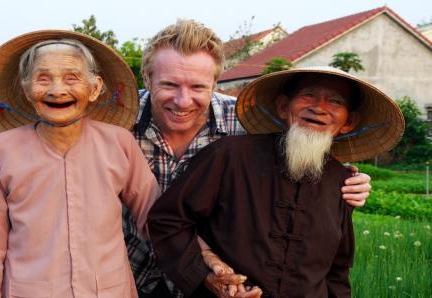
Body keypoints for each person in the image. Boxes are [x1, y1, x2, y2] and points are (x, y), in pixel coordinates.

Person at [0, 20, 372, 297]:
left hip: (207, 285)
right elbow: (36, 147)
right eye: (170, 84)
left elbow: (304, 146)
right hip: (122, 280)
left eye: (197, 86)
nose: (182, 99)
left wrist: (348, 179)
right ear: (147, 79)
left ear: (216, 82)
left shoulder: (243, 130)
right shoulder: (112, 127)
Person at [148, 67, 405, 297]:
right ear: (283, 106)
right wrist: (206, 277)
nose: (319, 107)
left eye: (335, 101)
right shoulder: (229, 156)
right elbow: (168, 221)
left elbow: (337, 271)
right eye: (308, 95)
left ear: (349, 122)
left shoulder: (342, 182)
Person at [0, 30, 161, 297]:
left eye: (72, 78)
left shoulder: (119, 143)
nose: (57, 90)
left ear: (94, 88)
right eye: (42, 79)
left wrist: (207, 257)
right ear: (25, 89)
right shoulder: (0, 151)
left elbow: (157, 218)